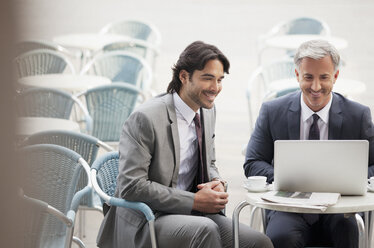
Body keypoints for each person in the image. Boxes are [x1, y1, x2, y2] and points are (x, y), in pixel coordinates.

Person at [97, 41, 274, 248]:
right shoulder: (146, 118)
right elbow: (132, 186)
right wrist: (194, 201)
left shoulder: (207, 111)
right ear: (183, 76)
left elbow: (210, 162)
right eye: (207, 78)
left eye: (219, 80)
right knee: (205, 231)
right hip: (148, 219)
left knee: (259, 242)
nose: (215, 88)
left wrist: (216, 182)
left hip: (191, 213)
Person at [244, 39, 374, 248]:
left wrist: (351, 179)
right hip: (290, 207)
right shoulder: (272, 111)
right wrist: (287, 178)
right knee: (281, 237)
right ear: (297, 75)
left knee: (347, 232)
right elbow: (252, 162)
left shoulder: (358, 115)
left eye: (324, 77)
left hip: (340, 208)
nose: (316, 87)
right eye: (308, 77)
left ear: (336, 76)